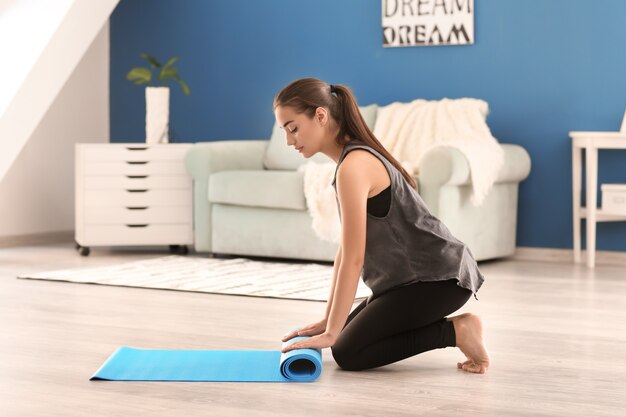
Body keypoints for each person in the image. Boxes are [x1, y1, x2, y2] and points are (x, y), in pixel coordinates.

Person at [274, 78, 490, 374]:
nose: (289, 141)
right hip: (407, 283)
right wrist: (328, 322)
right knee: (343, 336)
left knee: (348, 351)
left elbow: (354, 259)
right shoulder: (350, 161)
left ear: (320, 116)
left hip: (437, 280)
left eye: (293, 128)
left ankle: (458, 331)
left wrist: (332, 332)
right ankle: (455, 329)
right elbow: (344, 251)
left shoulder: (354, 165)